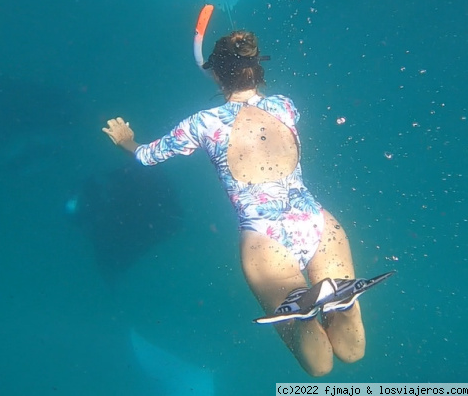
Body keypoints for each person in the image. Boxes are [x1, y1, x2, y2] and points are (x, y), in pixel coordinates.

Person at [102, 30, 367, 377]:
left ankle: (304, 320)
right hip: (316, 220)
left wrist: (127, 140)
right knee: (353, 353)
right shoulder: (286, 105)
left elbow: (146, 157)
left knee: (318, 368)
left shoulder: (201, 124)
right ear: (256, 67)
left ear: (214, 73)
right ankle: (343, 307)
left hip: (264, 237)